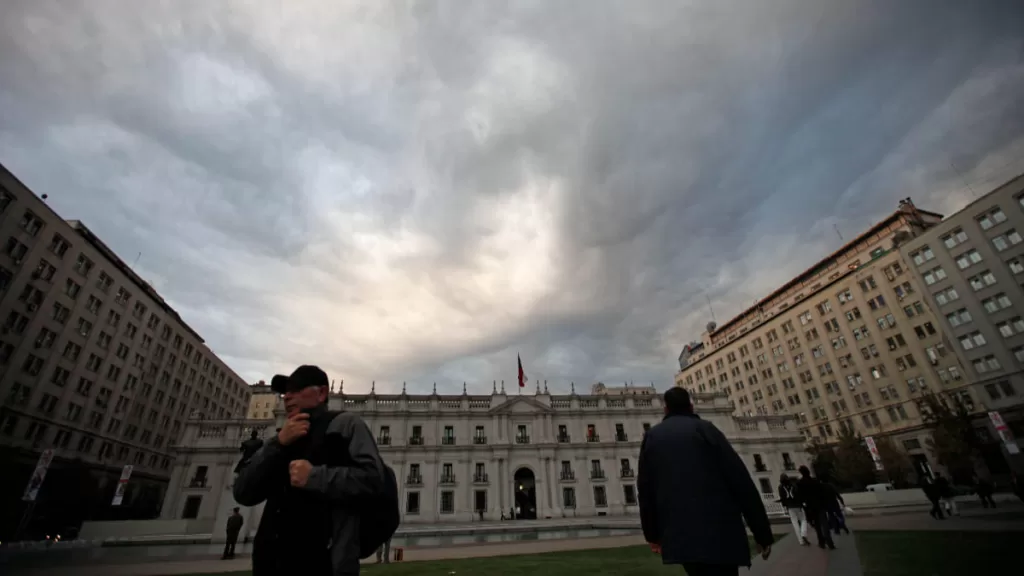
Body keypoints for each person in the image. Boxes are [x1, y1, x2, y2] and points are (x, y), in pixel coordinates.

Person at [233, 365, 388, 576]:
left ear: (322, 393)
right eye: (284, 391)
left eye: (296, 389)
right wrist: (277, 444)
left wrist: (314, 477)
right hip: (269, 565)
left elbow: (374, 480)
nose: (287, 396)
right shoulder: (280, 440)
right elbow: (243, 493)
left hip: (326, 566)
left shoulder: (344, 425)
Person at [639, 387, 773, 576]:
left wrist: (652, 535)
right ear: (691, 407)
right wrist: (762, 533)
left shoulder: (652, 437)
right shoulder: (708, 430)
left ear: (666, 409)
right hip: (721, 532)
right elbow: (741, 482)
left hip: (682, 535)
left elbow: (645, 492)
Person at [797, 466, 835, 550]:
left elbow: (800, 497)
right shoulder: (815, 481)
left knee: (817, 526)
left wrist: (803, 506)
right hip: (820, 505)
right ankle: (829, 541)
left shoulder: (800, 483)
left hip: (810, 508)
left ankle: (821, 542)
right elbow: (822, 493)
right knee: (824, 524)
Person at [777, 474, 810, 546]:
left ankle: (801, 541)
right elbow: (798, 494)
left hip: (790, 506)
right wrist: (801, 503)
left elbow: (782, 497)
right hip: (797, 505)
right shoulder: (793, 485)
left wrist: (785, 506)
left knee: (795, 523)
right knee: (803, 519)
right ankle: (803, 533)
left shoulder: (780, 487)